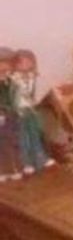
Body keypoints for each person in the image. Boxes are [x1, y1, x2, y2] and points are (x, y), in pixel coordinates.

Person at [11, 50, 55, 175]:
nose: (26, 65)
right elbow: (12, 96)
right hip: (19, 111)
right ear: (16, 64)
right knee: (23, 137)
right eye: (23, 62)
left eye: (29, 62)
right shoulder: (13, 79)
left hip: (31, 109)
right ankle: (26, 162)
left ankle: (40, 158)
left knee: (35, 133)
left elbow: (33, 93)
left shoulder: (31, 77)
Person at [0, 48, 22, 182]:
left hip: (10, 116)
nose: (4, 67)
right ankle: (3, 170)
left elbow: (14, 98)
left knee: (12, 142)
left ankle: (14, 168)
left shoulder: (11, 82)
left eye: (7, 63)